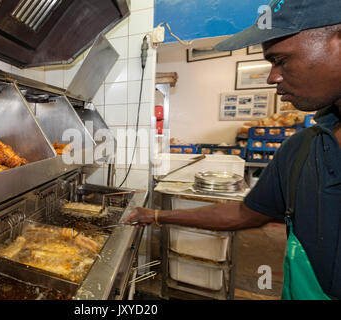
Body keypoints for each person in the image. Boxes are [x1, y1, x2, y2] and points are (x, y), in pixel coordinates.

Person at [126, 0, 341, 300]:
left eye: (281, 60)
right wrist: (157, 216)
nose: (272, 77)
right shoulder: (299, 150)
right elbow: (244, 214)